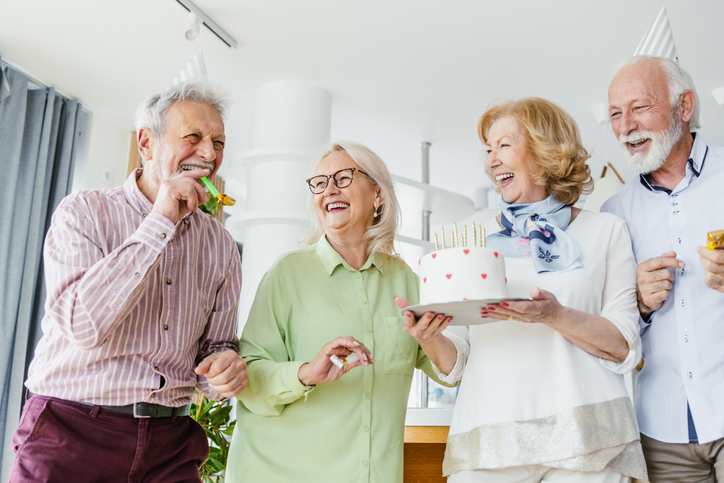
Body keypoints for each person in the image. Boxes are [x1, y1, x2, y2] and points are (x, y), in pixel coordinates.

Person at [396, 98, 648, 483]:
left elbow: (624, 347)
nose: (491, 160)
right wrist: (428, 338)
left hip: (588, 438)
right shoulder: (469, 235)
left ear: (546, 149)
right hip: (489, 439)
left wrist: (555, 316)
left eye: (504, 145)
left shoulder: (606, 231)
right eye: (488, 149)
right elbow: (454, 364)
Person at [10, 79, 248, 483]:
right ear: (147, 143)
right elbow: (84, 326)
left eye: (218, 142)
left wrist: (225, 369)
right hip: (70, 431)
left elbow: (214, 355)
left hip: (170, 446)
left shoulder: (221, 245)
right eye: (193, 137)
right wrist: (160, 223)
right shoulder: (83, 213)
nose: (208, 154)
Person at [226, 141, 450, 483]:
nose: (328, 189)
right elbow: (249, 377)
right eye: (319, 182)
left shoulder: (405, 280)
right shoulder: (288, 273)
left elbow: (450, 371)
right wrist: (306, 373)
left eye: (343, 177)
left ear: (377, 194)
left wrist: (434, 339)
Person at [602, 55, 724, 482]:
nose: (625, 126)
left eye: (639, 107)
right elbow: (611, 329)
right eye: (616, 113)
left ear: (684, 107)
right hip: (662, 428)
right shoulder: (613, 214)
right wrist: (639, 304)